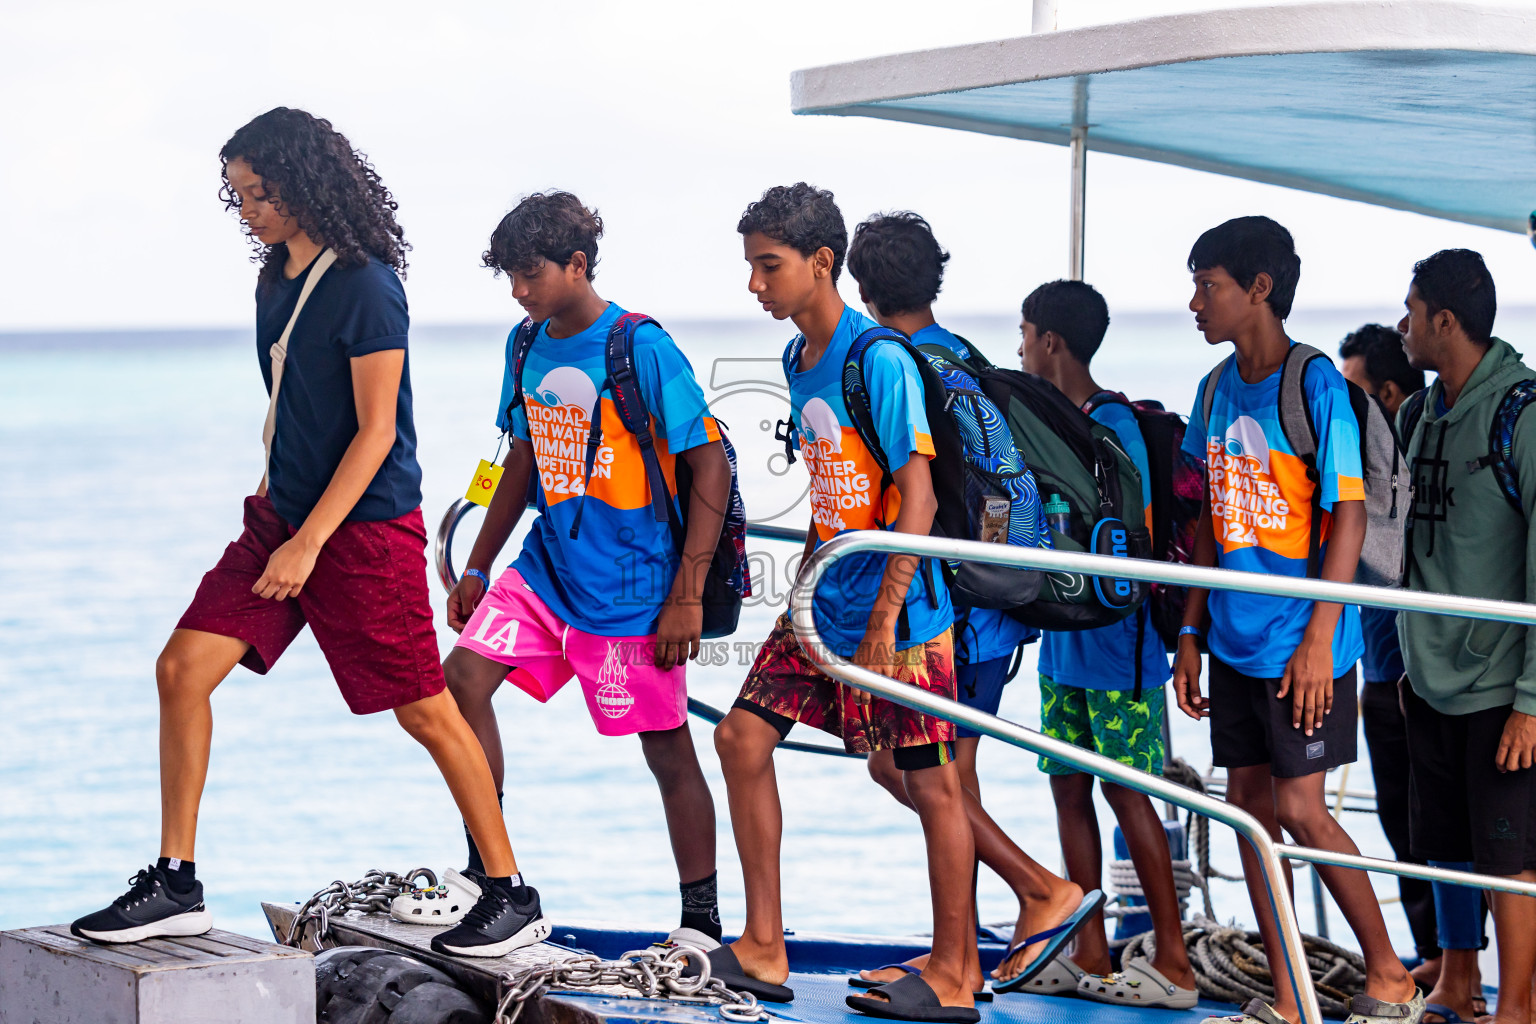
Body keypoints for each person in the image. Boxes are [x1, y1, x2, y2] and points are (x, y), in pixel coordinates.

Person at [70, 108, 533, 955]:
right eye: (236, 195)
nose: (245, 209)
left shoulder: (365, 284)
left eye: (258, 193)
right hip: (282, 518)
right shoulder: (274, 278)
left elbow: (376, 432)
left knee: (425, 711)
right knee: (181, 670)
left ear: (304, 183)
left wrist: (310, 540)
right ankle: (176, 880)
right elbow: (292, 406)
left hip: (361, 533)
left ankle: (508, 888)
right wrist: (273, 507)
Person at [710, 184, 1099, 1023]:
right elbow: (834, 488)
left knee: (933, 784)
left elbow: (915, 499)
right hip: (828, 597)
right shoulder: (796, 361)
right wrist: (808, 591)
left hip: (905, 611)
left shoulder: (876, 359)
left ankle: (958, 974)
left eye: (768, 266)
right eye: (750, 267)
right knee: (741, 737)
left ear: (822, 264)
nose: (755, 285)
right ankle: (764, 943)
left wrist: (886, 616)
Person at [439, 192, 730, 952]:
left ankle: (701, 923)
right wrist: (477, 565)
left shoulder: (641, 349)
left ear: (577, 264)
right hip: (546, 570)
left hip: (635, 588)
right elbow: (524, 462)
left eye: (530, 274)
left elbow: (711, 469)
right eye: (508, 276)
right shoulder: (524, 344)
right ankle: (492, 880)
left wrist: (687, 596)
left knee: (666, 750)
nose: (518, 291)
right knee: (458, 684)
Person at [1172, 216, 1423, 1024]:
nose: (1194, 303)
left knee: (1304, 812)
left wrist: (1321, 638)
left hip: (1301, 643)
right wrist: (1191, 631)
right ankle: (1289, 995)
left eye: (1207, 286)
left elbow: (1348, 514)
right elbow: (1210, 515)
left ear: (1259, 290)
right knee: (1247, 812)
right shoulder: (1213, 389)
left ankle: (1389, 975)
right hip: (1236, 638)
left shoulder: (1316, 386)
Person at [841, 213, 1091, 1001]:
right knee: (937, 775)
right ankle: (965, 954)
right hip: (997, 600)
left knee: (928, 776)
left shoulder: (897, 365)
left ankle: (1034, 897)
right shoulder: (966, 357)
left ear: (860, 287)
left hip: (950, 604)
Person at [1017, 279, 1199, 1007]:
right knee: (1067, 788)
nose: (1021, 348)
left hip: (1119, 648)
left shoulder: (1112, 423)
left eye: (1025, 334)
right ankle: (1089, 952)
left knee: (1129, 793)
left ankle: (1177, 963)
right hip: (1063, 645)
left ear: (1052, 342)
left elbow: (1131, 534)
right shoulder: (1050, 419)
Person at [1397, 248, 1536, 1024]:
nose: (1403, 322)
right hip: (1429, 671)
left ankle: (1517, 1004)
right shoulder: (1419, 414)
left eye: (1411, 308)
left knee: (1510, 853)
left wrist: (1532, 701)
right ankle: (1457, 980)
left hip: (1501, 678)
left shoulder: (1522, 411)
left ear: (1444, 321)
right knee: (1444, 837)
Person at [1339, 325, 1485, 1015]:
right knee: (1408, 829)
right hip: (1380, 670)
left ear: (1389, 395)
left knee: (1451, 830)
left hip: (1425, 674)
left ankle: (1465, 964)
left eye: (1357, 393)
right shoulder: (1372, 466)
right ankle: (1438, 954)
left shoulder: (1416, 460)